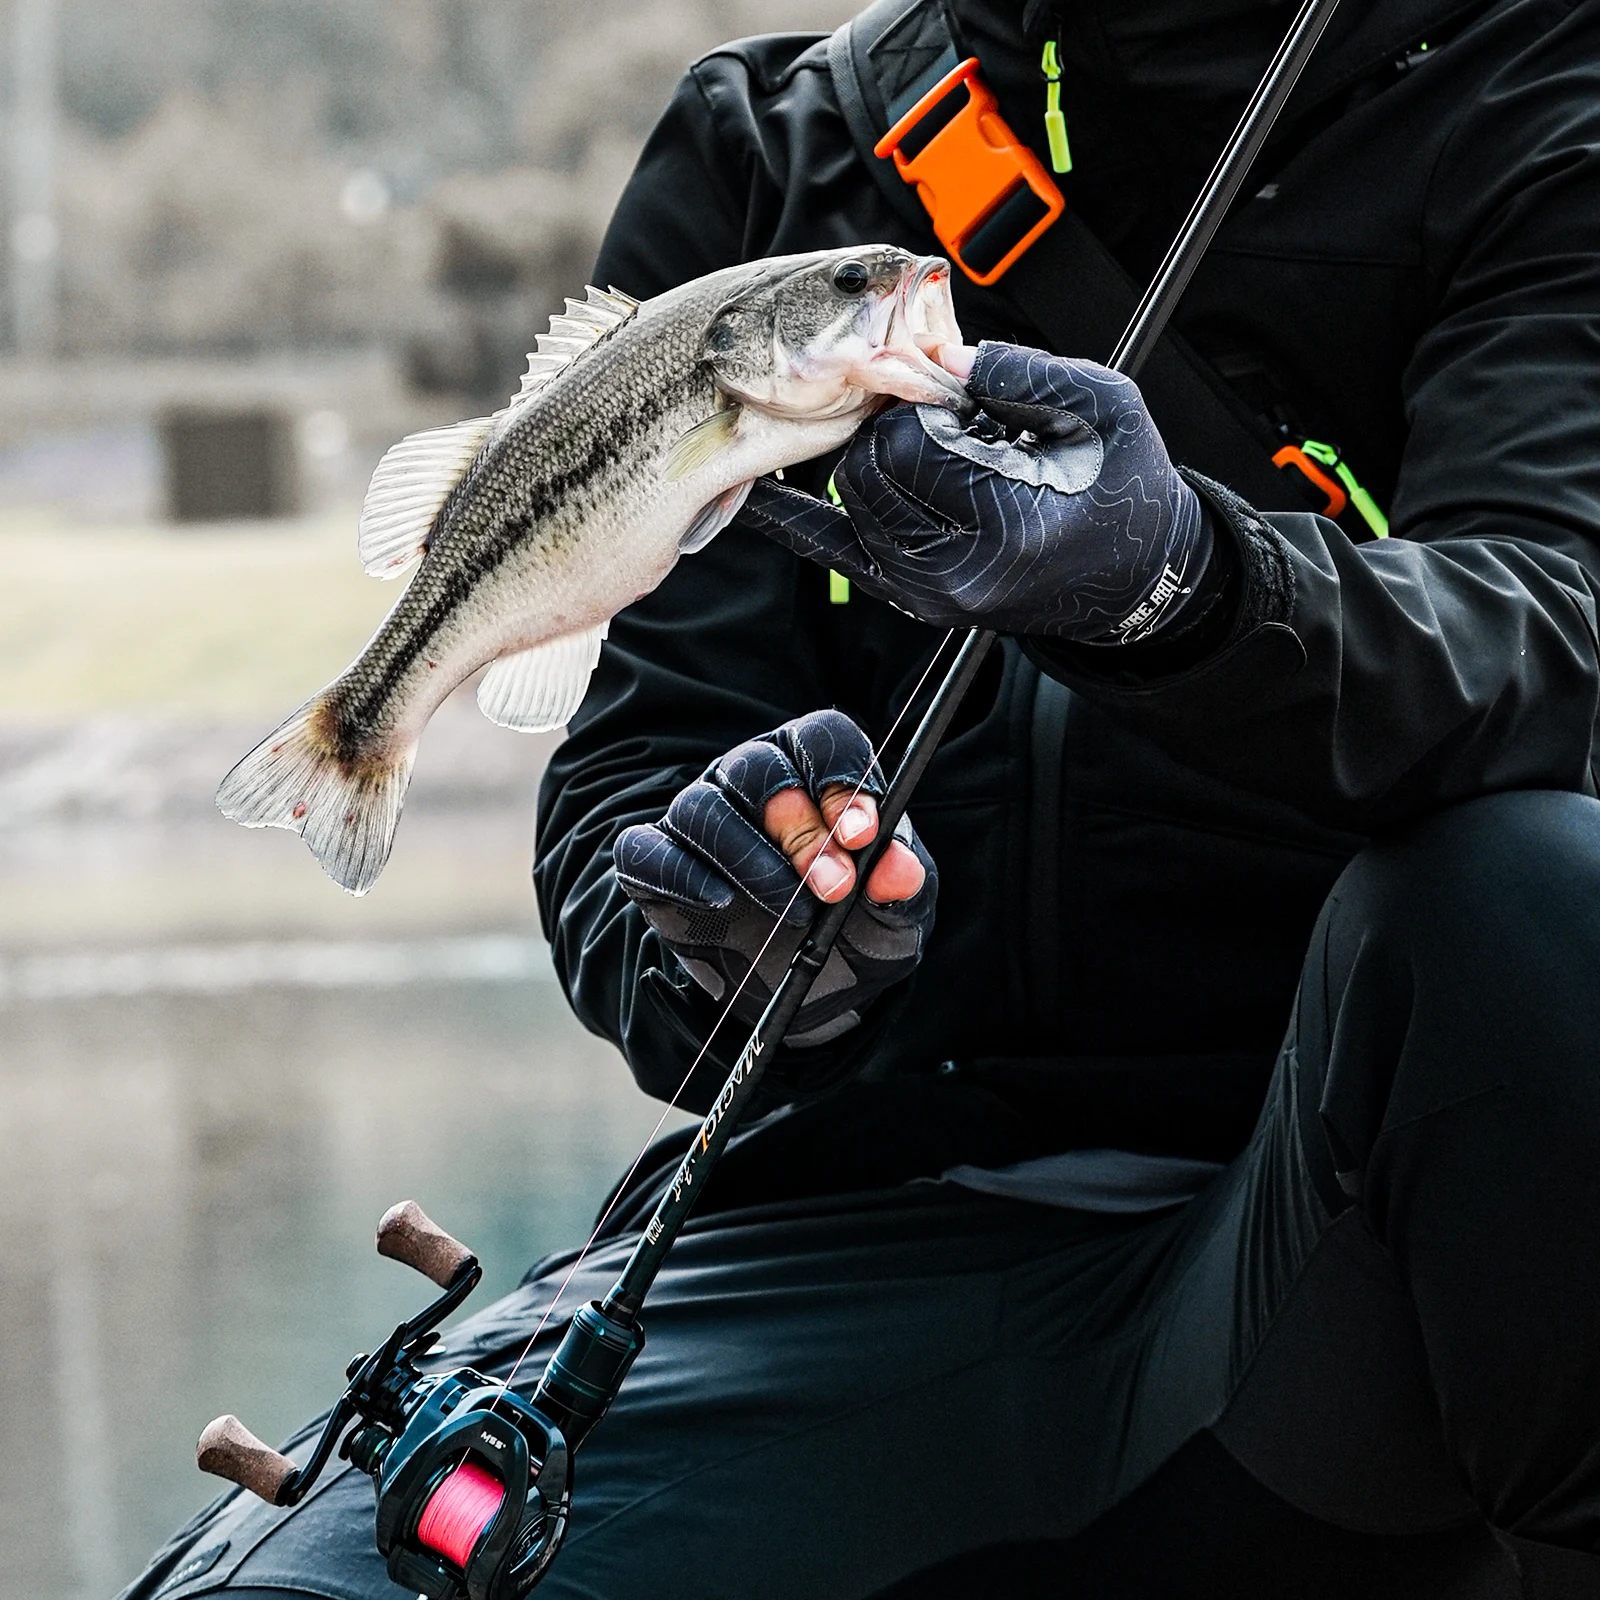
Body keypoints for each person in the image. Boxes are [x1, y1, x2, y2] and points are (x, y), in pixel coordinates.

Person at [124, 1, 1600, 1597]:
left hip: (1337, 1246)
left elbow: (1546, 639)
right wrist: (736, 946)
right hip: (846, 1229)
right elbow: (626, 786)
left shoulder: (1542, 94)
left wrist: (1177, 589)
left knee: (1527, 890)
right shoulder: (775, 143)